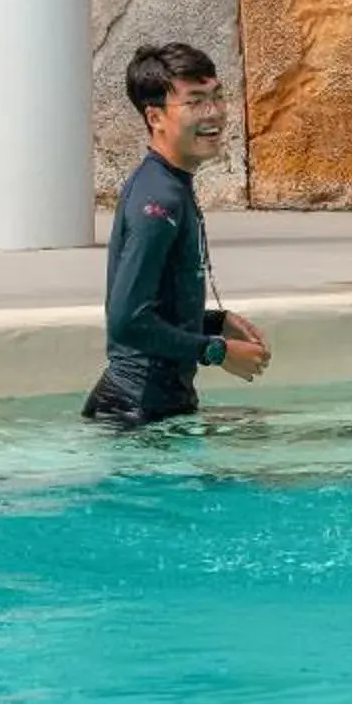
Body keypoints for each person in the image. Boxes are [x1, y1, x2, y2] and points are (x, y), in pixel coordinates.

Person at [81, 43, 269, 427]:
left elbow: (154, 308)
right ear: (155, 117)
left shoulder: (170, 184)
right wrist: (215, 351)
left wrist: (214, 321)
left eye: (217, 96)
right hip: (133, 414)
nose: (214, 112)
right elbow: (127, 321)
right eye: (195, 101)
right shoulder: (159, 200)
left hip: (156, 410)